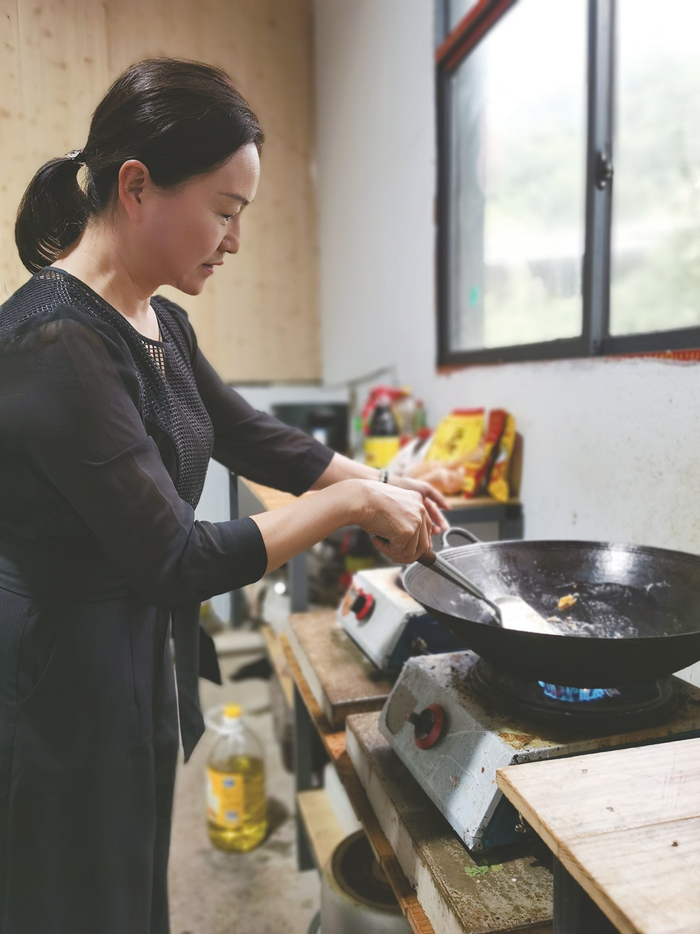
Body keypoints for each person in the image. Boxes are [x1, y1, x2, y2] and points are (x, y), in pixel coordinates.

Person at [0, 58, 448, 933]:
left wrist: (383, 480)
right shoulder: (57, 341)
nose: (235, 240)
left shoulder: (158, 318)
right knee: (71, 895)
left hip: (128, 652)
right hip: (58, 674)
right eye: (225, 210)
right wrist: (353, 509)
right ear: (137, 186)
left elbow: (249, 435)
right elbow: (174, 559)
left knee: (127, 882)